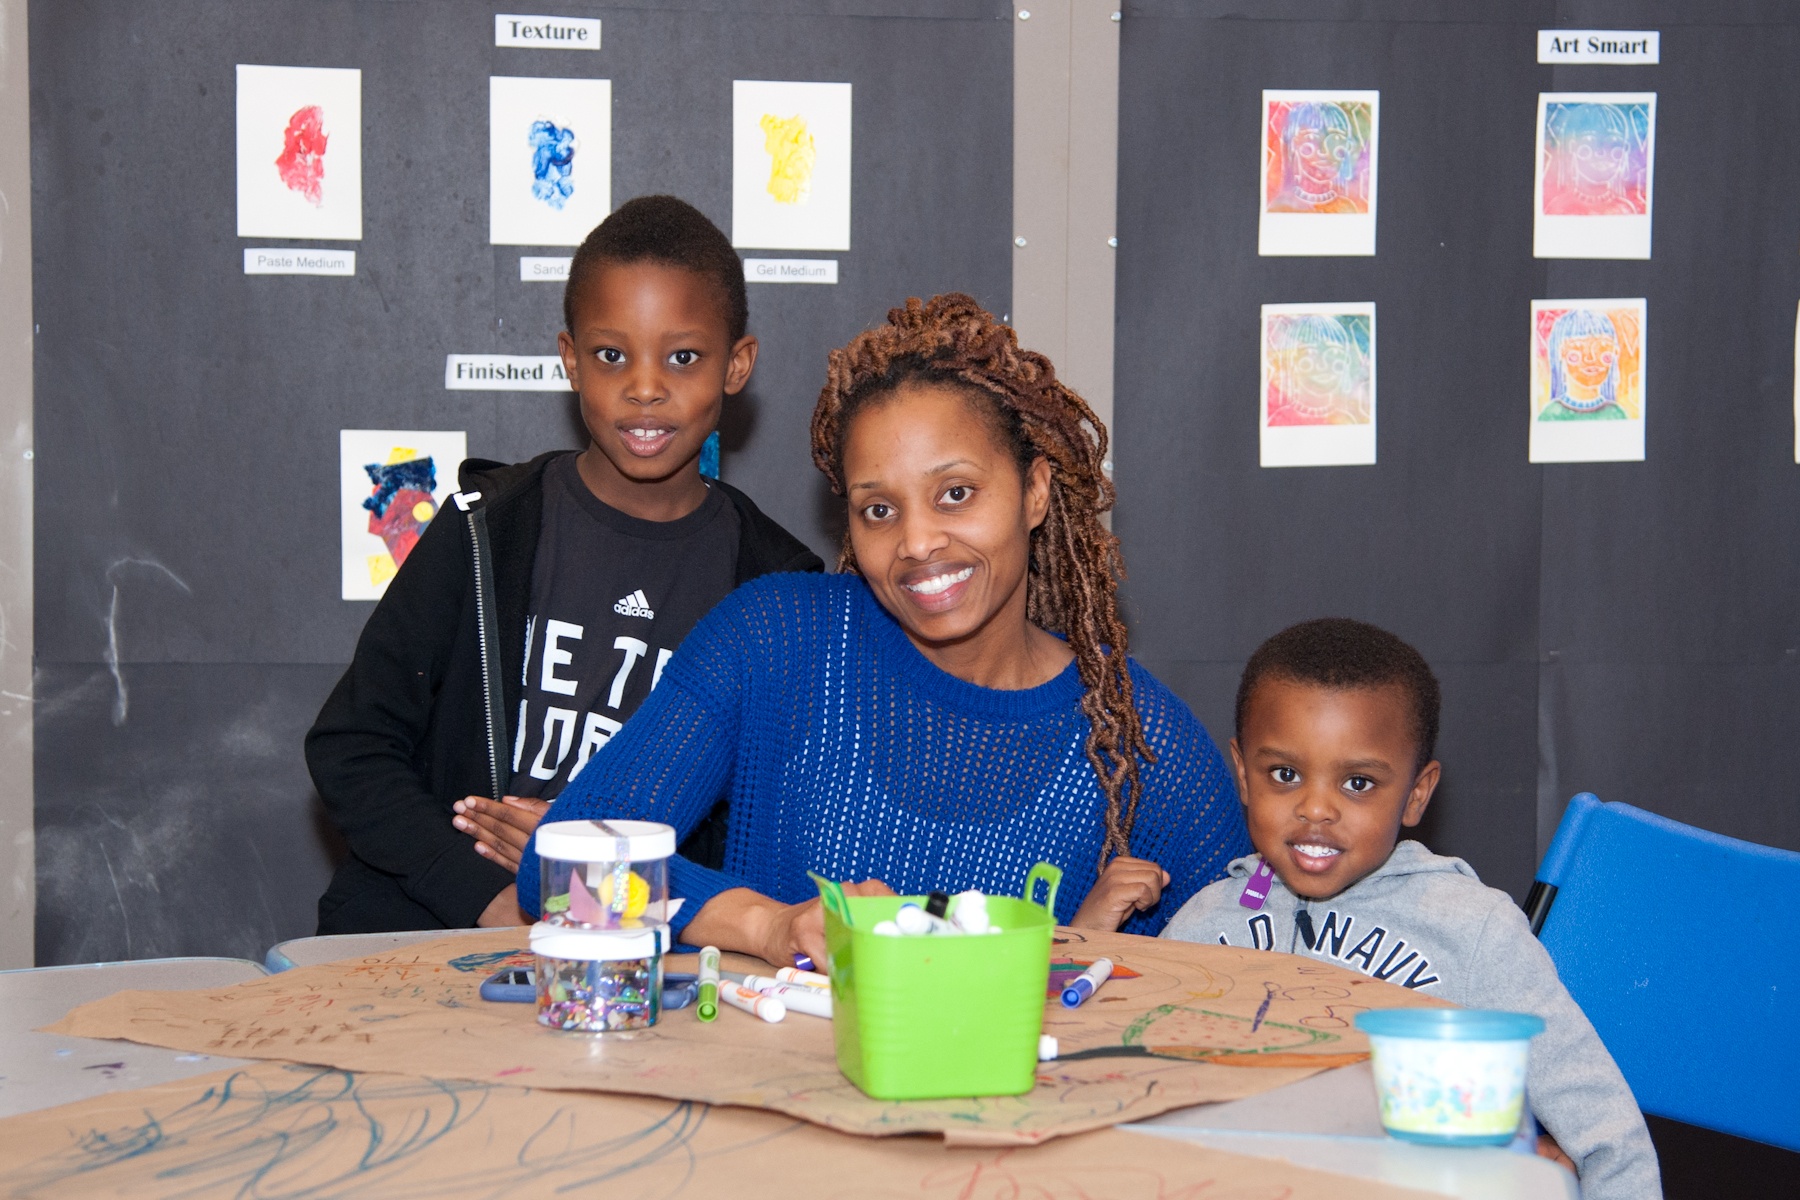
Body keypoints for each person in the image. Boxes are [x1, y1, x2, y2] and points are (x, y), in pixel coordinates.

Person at [517, 293, 1249, 966]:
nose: (918, 542)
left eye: (955, 494)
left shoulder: (1140, 745)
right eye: (879, 510)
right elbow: (563, 868)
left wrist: (1074, 960)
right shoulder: (775, 642)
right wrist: (771, 928)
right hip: (765, 1099)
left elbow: (1248, 973)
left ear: (1034, 491)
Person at [306, 196, 823, 935]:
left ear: (736, 364)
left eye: (683, 356)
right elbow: (352, 747)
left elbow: (760, 821)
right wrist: (490, 897)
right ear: (570, 359)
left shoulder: (775, 585)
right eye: (613, 355)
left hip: (645, 948)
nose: (646, 387)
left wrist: (601, 855)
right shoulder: (485, 529)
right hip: (440, 934)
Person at [1160, 618, 1659, 1200]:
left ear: (1417, 793)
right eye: (1285, 774)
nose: (1316, 808)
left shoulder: (1474, 932)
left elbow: (1609, 1135)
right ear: (1244, 776)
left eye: (1359, 783)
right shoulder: (1201, 926)